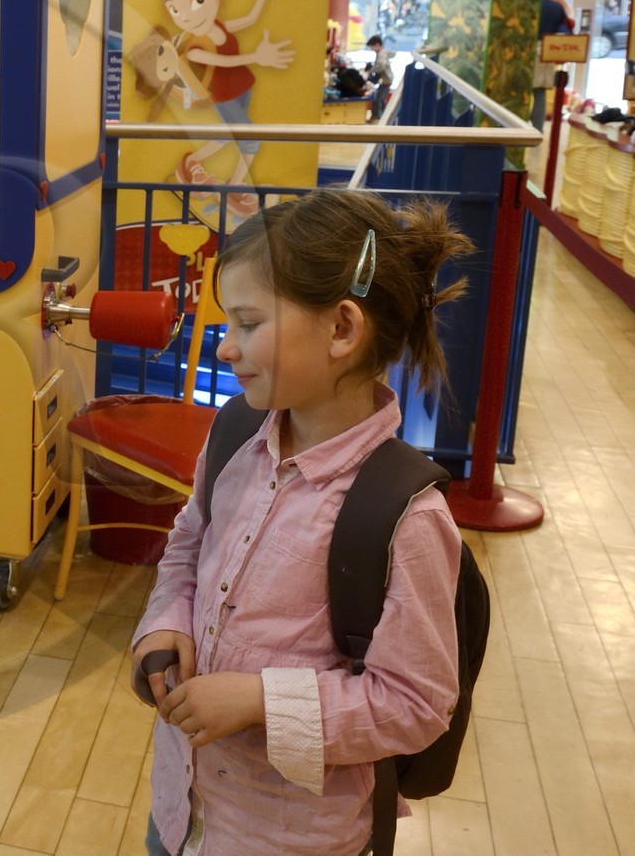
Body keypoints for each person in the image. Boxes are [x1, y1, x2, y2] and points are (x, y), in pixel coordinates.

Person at [131, 188, 472, 856]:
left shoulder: (407, 517)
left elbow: (418, 704)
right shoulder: (232, 434)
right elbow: (188, 545)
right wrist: (164, 625)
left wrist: (261, 700)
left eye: (248, 324)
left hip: (290, 838)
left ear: (342, 330)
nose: (226, 349)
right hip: (182, 809)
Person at [160, 0, 294, 218]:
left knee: (225, 137)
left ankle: (190, 163)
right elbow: (223, 63)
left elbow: (251, 18)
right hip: (224, 96)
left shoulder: (218, 26)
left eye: (195, 1)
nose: (184, 16)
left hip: (243, 89)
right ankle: (234, 187)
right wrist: (257, 56)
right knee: (249, 140)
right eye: (173, 8)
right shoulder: (193, 46)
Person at [366, 34, 393, 120]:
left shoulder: (382, 54)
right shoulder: (382, 53)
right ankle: (383, 117)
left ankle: (379, 117)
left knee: (379, 99)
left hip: (386, 80)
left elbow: (381, 65)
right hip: (385, 79)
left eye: (372, 47)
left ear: (377, 45)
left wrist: (371, 70)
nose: (372, 49)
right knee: (380, 99)